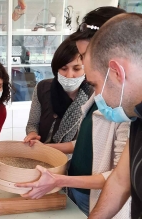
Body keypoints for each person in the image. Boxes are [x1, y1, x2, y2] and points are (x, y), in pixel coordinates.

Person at [17, 7, 131, 218]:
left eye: (83, 58)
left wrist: (60, 180)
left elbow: (119, 179)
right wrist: (47, 148)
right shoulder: (97, 97)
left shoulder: (124, 108)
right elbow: (87, 144)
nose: (83, 68)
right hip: (74, 187)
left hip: (92, 194)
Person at [84, 13, 142, 219]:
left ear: (117, 72)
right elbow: (120, 181)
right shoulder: (136, 117)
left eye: (95, 85)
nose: (96, 96)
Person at [24, 37, 92, 149]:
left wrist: (47, 148)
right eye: (64, 69)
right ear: (56, 69)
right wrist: (32, 134)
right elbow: (33, 124)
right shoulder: (43, 88)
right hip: (40, 154)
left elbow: (84, 143)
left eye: (76, 69)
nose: (69, 75)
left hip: (72, 161)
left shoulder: (92, 96)